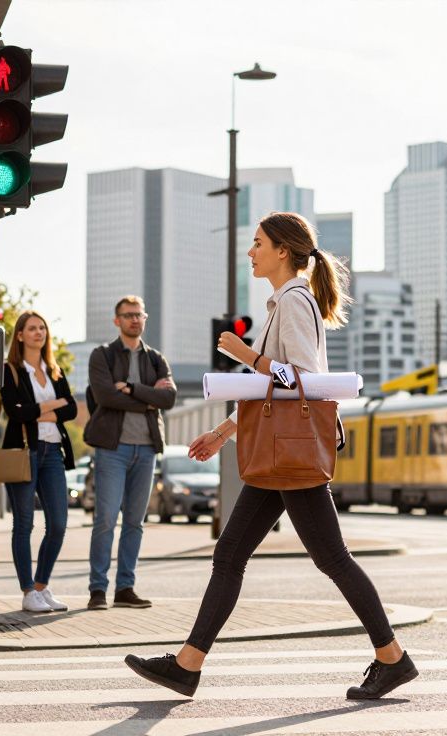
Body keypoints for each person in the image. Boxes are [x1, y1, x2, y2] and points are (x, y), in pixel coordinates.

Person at [124, 212, 418, 700]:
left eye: (258, 243)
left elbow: (298, 379)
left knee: (331, 559)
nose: (251, 252)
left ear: (283, 250)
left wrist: (245, 354)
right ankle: (187, 664)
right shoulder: (285, 303)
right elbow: (273, 397)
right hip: (280, 453)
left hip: (290, 456)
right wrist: (223, 430)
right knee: (234, 554)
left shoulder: (295, 302)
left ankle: (392, 658)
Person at [83, 296, 176, 610]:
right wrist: (150, 396)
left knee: (135, 523)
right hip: (113, 449)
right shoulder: (103, 355)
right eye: (128, 315)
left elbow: (170, 399)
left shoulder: (156, 359)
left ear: (145, 318)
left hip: (147, 449)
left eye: (139, 315)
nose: (134, 320)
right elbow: (105, 396)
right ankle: (98, 589)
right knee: (106, 520)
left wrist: (132, 389)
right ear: (117, 320)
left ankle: (125, 588)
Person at [1, 311, 77, 612]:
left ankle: (41, 586)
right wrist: (51, 405)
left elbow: (71, 409)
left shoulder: (55, 371)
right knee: (24, 523)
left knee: (58, 523)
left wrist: (40, 410)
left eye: (42, 328)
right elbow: (15, 412)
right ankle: (27, 590)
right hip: (24, 452)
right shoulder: (11, 371)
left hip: (53, 452)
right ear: (19, 335)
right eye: (32, 328)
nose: (38, 332)